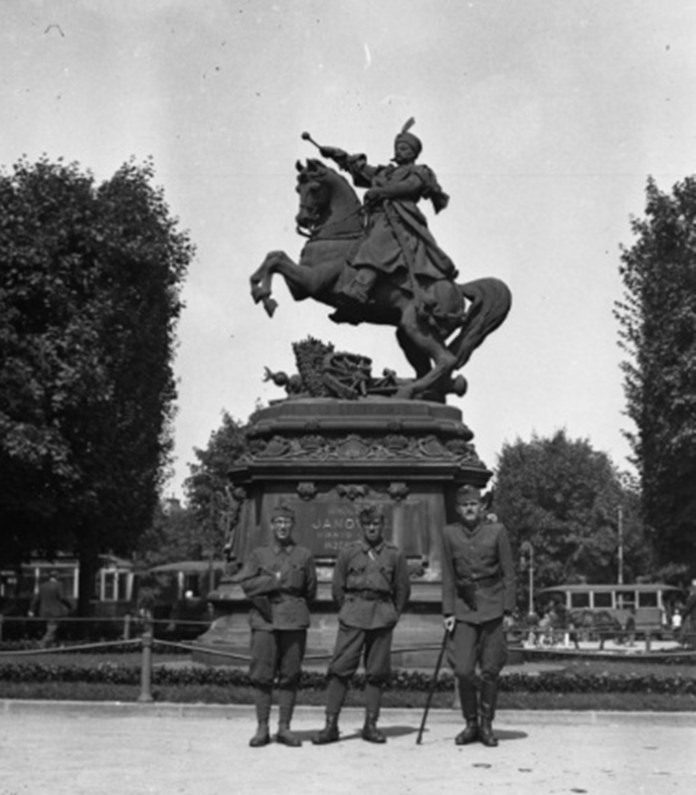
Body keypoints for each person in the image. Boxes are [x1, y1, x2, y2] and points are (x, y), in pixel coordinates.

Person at [319, 119, 455, 314]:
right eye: (398, 148)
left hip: (400, 218)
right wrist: (337, 155)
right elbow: (362, 170)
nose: (400, 151)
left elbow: (409, 187)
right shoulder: (385, 172)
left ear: (414, 153)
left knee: (380, 240)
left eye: (405, 148)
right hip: (377, 217)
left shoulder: (419, 171)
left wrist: (380, 192)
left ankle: (361, 288)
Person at [312, 504, 411, 745]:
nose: (372, 528)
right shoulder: (349, 553)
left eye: (376, 524)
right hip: (354, 616)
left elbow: (402, 590)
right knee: (340, 670)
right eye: (367, 524)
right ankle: (331, 725)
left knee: (376, 673)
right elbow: (337, 588)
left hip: (381, 616)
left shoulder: (394, 555)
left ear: (382, 525)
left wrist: (391, 614)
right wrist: (348, 609)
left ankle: (371, 725)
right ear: (361, 526)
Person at [234, 503, 317, 748]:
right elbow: (247, 584)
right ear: (272, 525)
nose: (282, 527)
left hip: (294, 620)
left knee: (290, 675)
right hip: (265, 619)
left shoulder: (304, 555)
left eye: (286, 522)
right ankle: (262, 727)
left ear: (292, 525)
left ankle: (284, 728)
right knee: (262, 675)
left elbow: (310, 590)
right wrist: (273, 581)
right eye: (278, 522)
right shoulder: (259, 555)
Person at [441, 485, 516, 748]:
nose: (470, 508)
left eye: (474, 504)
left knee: (490, 671)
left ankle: (486, 723)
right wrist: (448, 611)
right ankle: (470, 721)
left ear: (481, 507)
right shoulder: (449, 534)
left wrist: (508, 609)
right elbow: (449, 575)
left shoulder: (497, 531)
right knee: (462, 669)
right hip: (463, 609)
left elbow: (508, 573)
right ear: (458, 509)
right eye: (465, 505)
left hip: (493, 607)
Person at [27, 570, 72, 648]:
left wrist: (31, 609)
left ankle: (55, 645)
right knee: (52, 629)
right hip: (55, 611)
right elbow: (62, 597)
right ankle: (42, 644)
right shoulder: (59, 585)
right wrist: (69, 605)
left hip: (44, 611)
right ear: (57, 576)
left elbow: (37, 598)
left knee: (51, 628)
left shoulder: (42, 586)